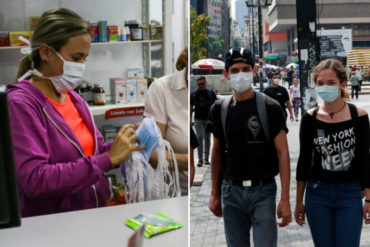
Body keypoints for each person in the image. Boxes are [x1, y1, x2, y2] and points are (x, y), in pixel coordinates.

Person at [7, 8, 145, 217]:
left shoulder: (73, 97)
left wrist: (126, 144)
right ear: (45, 52)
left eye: (84, 58)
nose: (81, 65)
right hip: (53, 225)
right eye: (76, 57)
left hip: (89, 214)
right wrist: (108, 159)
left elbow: (92, 152)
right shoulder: (22, 104)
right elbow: (35, 180)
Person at [208, 48, 292, 247]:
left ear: (254, 70)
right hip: (231, 192)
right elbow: (216, 151)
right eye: (235, 70)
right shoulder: (219, 109)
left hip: (263, 192)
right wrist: (214, 193)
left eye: (246, 68)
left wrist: (285, 198)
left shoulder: (271, 107)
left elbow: (283, 153)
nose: (241, 74)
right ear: (227, 74)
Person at [295, 59, 370, 247]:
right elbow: (304, 162)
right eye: (320, 83)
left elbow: (365, 159)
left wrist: (369, 198)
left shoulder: (358, 115)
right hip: (317, 194)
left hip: (350, 194)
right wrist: (298, 202)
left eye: (331, 83)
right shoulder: (309, 118)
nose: (324, 87)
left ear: (342, 85)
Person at [144, 47, 188, 195]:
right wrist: (190, 162)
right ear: (186, 59)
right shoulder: (161, 89)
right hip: (176, 193)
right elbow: (152, 154)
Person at [190, 76, 217, 167]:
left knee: (207, 138)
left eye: (202, 84)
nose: (201, 85)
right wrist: (189, 120)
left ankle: (206, 158)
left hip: (209, 120)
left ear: (205, 83)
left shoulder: (211, 93)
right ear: (197, 84)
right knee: (199, 137)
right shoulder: (193, 94)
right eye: (199, 84)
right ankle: (200, 159)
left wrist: (215, 119)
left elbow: (215, 107)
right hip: (198, 119)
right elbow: (190, 107)